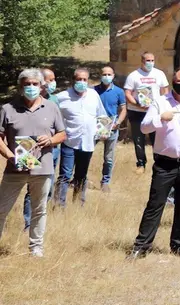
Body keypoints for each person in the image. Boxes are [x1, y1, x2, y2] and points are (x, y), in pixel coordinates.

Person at [129, 66, 180, 259]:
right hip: (165, 164)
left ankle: (178, 245)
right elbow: (144, 128)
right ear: (172, 80)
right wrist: (160, 118)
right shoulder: (160, 102)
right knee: (155, 204)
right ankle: (141, 246)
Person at [0, 69, 66, 257]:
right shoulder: (8, 109)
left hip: (42, 168)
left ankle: (36, 248)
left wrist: (51, 140)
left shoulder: (52, 108)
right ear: (21, 87)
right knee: (1, 209)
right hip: (15, 169)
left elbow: (62, 134)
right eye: (27, 84)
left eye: (35, 84)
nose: (31, 87)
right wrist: (11, 156)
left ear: (41, 86)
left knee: (39, 209)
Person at [54, 67, 107, 208]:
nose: (81, 82)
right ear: (73, 80)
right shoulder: (62, 97)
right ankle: (59, 205)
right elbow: (52, 115)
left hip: (88, 143)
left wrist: (104, 130)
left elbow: (101, 115)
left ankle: (79, 204)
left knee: (82, 175)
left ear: (88, 81)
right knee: (65, 175)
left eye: (84, 79)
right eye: (78, 79)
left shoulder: (93, 95)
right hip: (69, 142)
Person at [123, 52, 169, 175]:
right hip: (137, 112)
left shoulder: (159, 74)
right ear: (142, 61)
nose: (150, 63)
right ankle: (141, 164)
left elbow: (165, 91)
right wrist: (137, 104)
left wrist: (161, 106)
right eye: (147, 60)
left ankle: (159, 164)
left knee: (157, 139)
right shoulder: (134, 75)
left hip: (155, 113)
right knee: (138, 139)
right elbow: (127, 93)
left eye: (152, 60)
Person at [95, 65, 127, 193]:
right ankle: (81, 179)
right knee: (87, 153)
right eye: (104, 74)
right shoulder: (94, 90)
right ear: (100, 75)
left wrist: (118, 122)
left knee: (108, 157)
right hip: (96, 126)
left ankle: (105, 181)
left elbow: (123, 109)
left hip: (112, 127)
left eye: (109, 74)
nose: (107, 77)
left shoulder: (119, 91)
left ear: (113, 76)